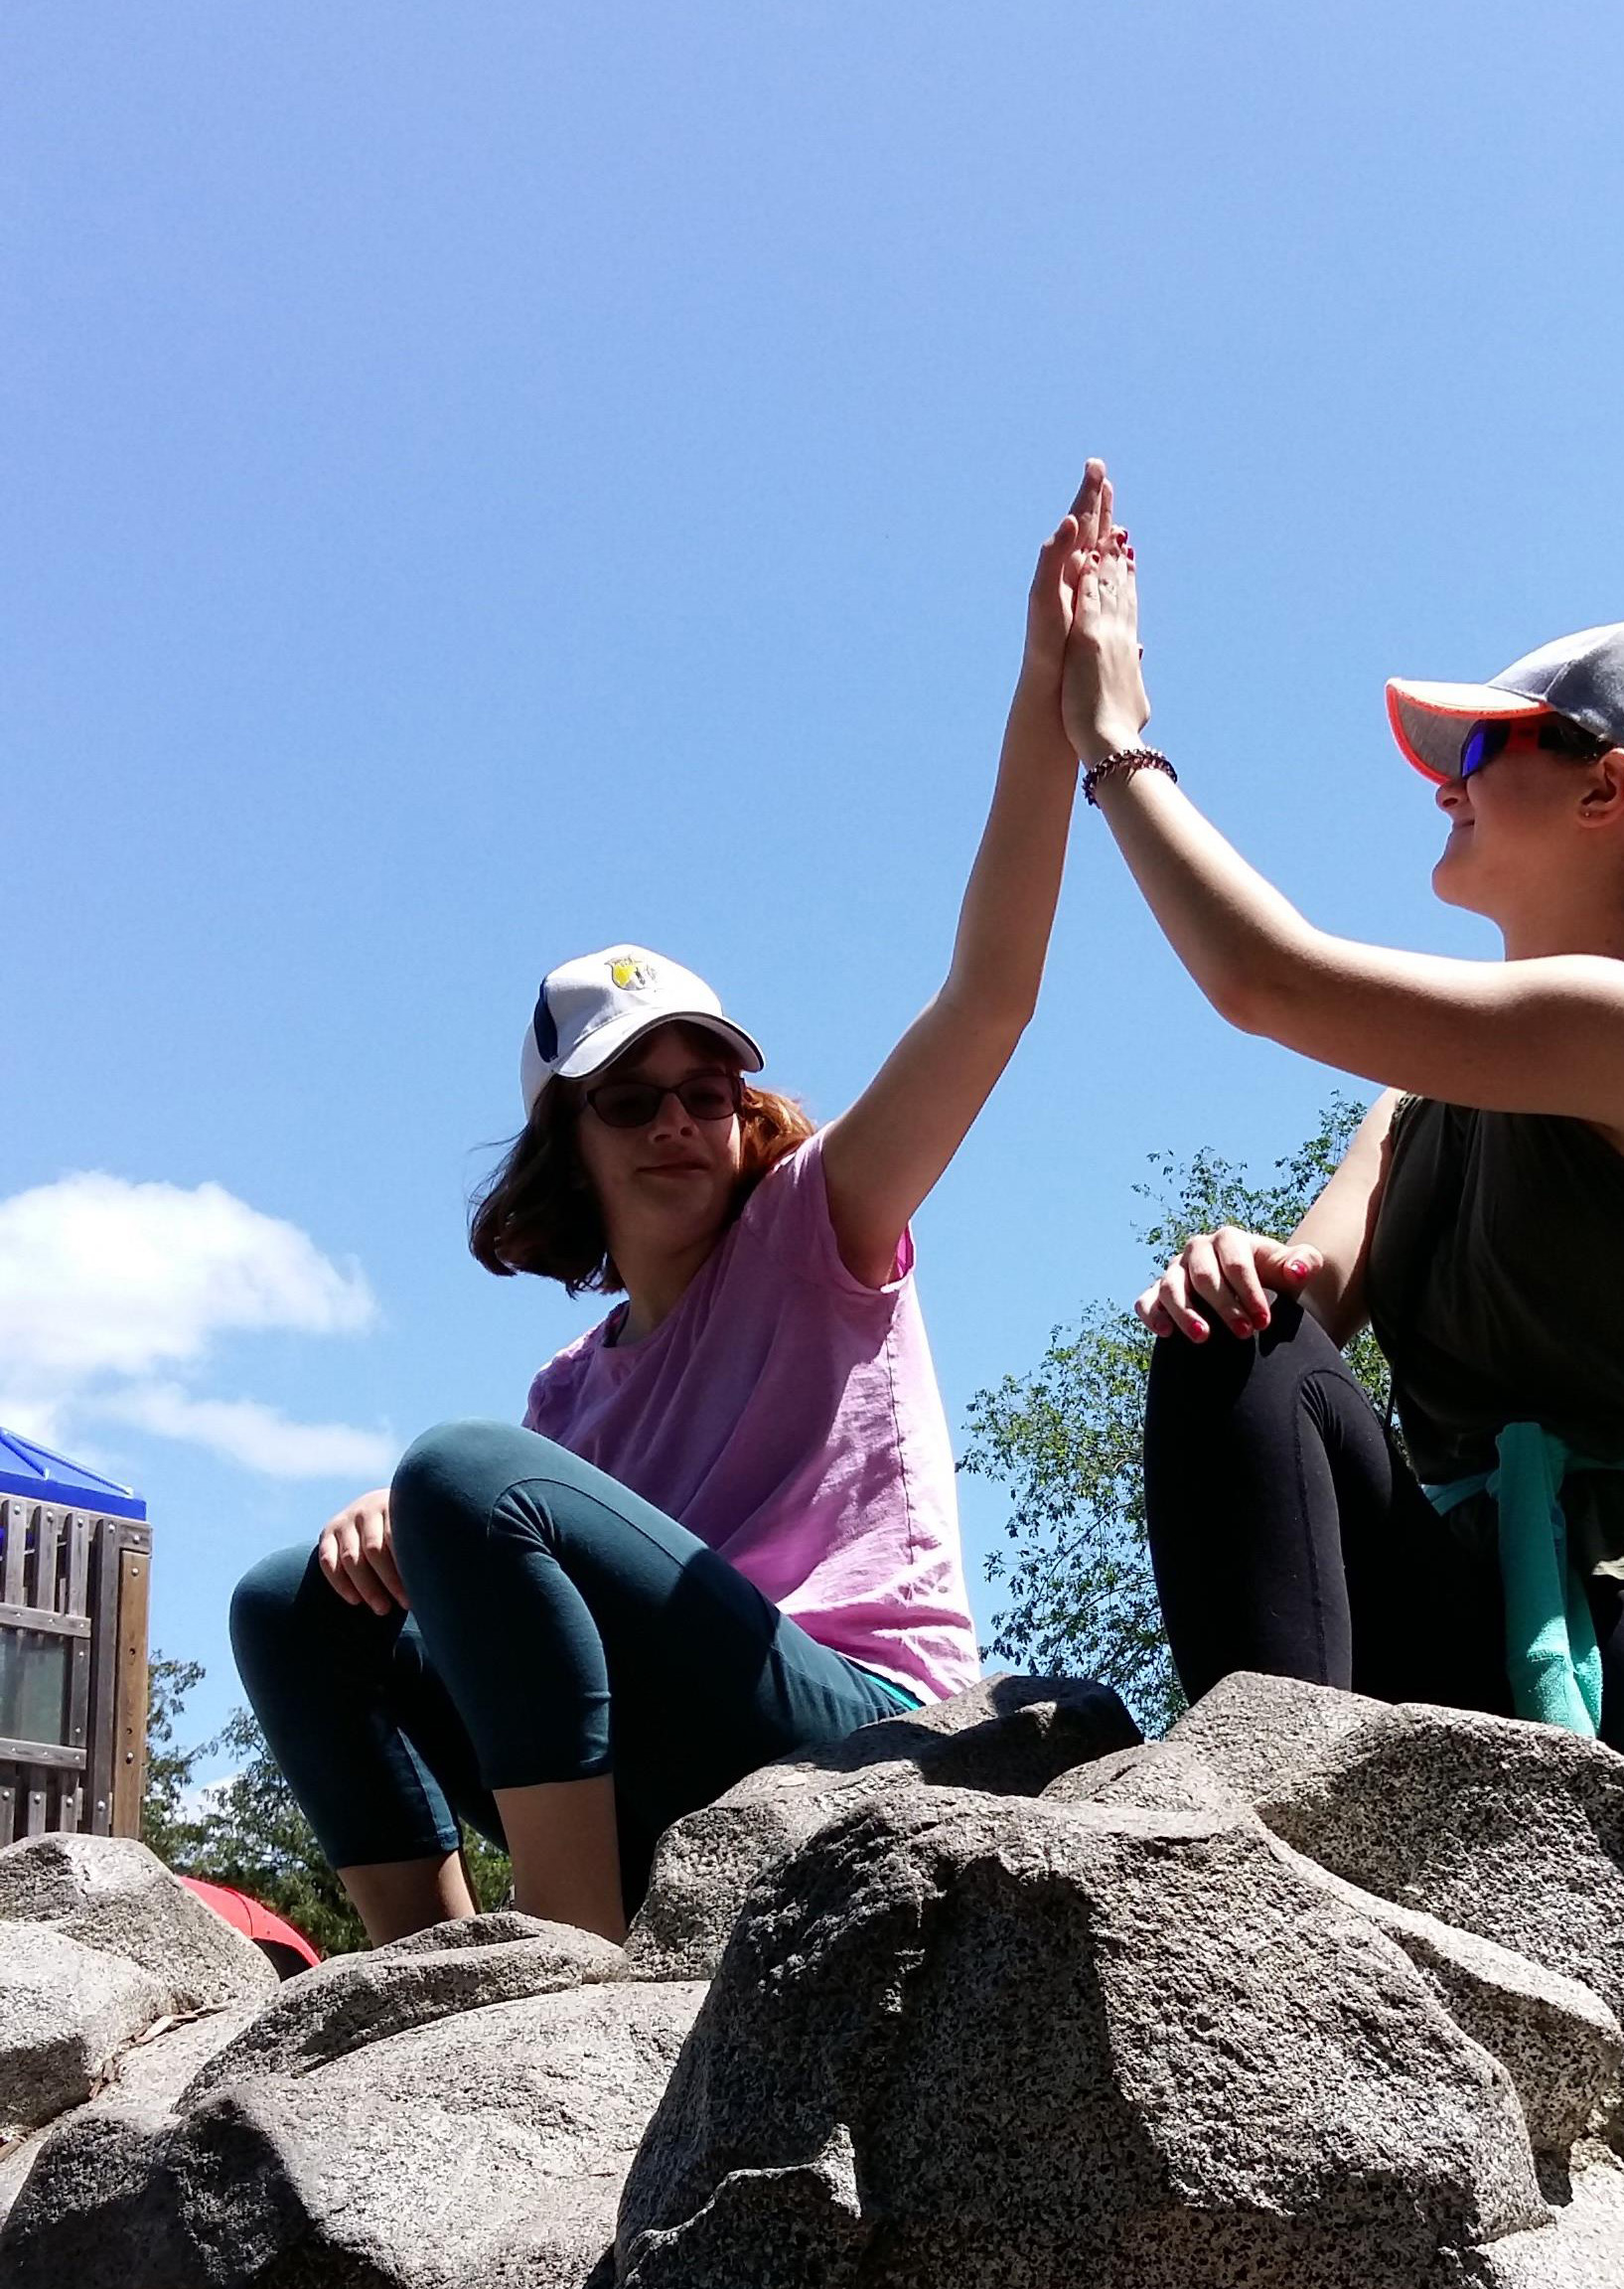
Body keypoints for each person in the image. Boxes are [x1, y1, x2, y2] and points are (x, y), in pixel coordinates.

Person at [229, 463, 1119, 1944]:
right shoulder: (567, 1397)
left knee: (458, 1471)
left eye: (707, 1090)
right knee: (290, 1601)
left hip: (864, 1732)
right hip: (669, 1774)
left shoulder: (816, 1232)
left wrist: (1046, 694)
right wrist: (416, 1530)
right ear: (561, 1144)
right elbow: (511, 1548)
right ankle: (430, 1966)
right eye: (629, 1100)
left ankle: (569, 1976)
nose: (681, 1123)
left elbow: (988, 996)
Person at [1058, 513, 1624, 1878]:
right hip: (1460, 1595)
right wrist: (1231, 1268)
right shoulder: (1406, 1112)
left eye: (1478, 751)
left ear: (1604, 790)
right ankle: (1264, 1853)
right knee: (1223, 1338)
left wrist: (1114, 738)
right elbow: (1299, 1319)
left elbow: (1265, 980)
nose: (1441, 787)